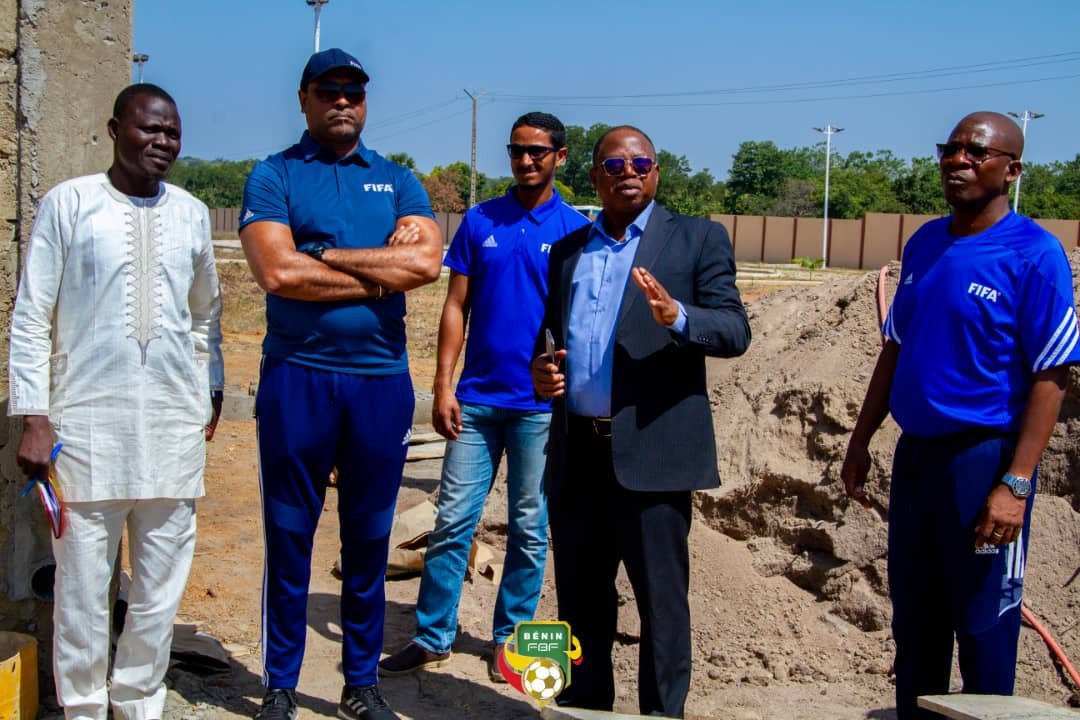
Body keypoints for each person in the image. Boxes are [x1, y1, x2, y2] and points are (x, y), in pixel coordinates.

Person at [840, 111, 1080, 719]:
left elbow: (1051, 376)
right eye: (950, 149)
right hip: (917, 459)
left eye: (977, 152)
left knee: (983, 623)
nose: (958, 160)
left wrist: (1016, 483)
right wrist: (861, 440)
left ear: (1012, 170)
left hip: (984, 461)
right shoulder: (925, 243)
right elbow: (894, 349)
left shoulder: (1034, 253)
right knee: (916, 620)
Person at [9, 84, 224, 720]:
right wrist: (34, 416)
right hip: (84, 431)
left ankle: (138, 703)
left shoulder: (191, 213)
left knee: (159, 590)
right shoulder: (70, 203)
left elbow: (204, 315)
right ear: (114, 129)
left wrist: (207, 389)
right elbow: (31, 316)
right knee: (80, 591)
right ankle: (82, 707)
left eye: (173, 132)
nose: (163, 142)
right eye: (150, 128)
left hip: (171, 431)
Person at [238, 48, 441, 720]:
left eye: (354, 90)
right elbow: (278, 274)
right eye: (329, 90)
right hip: (298, 378)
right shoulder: (275, 174)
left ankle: (360, 683)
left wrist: (323, 253)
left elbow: (426, 264)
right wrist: (380, 273)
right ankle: (280, 685)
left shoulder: (397, 180)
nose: (344, 101)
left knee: (369, 537)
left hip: (380, 384)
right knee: (289, 532)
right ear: (304, 98)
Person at [530, 125, 751, 717]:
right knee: (580, 602)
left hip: (653, 456)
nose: (628, 172)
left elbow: (735, 330)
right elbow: (550, 337)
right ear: (594, 176)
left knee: (661, 605)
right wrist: (541, 372)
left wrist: (678, 316)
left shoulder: (697, 238)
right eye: (614, 165)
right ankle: (583, 707)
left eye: (640, 163)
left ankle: (661, 714)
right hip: (578, 456)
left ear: (656, 171)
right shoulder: (568, 252)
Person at [379, 113, 588, 681]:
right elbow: (456, 306)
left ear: (560, 157)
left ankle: (510, 640)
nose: (526, 160)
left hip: (540, 409)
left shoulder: (575, 230)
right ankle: (432, 636)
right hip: (475, 403)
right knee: (453, 521)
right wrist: (443, 385)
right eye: (517, 150)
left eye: (538, 151)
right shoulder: (480, 220)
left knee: (529, 529)